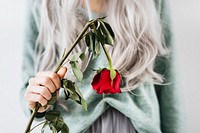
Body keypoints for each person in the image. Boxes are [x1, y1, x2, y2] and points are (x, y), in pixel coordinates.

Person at [21, 0, 185, 132]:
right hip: (71, 125)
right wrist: (38, 98)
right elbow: (27, 85)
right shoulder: (43, 4)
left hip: (138, 127)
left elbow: (169, 85)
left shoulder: (151, 3)